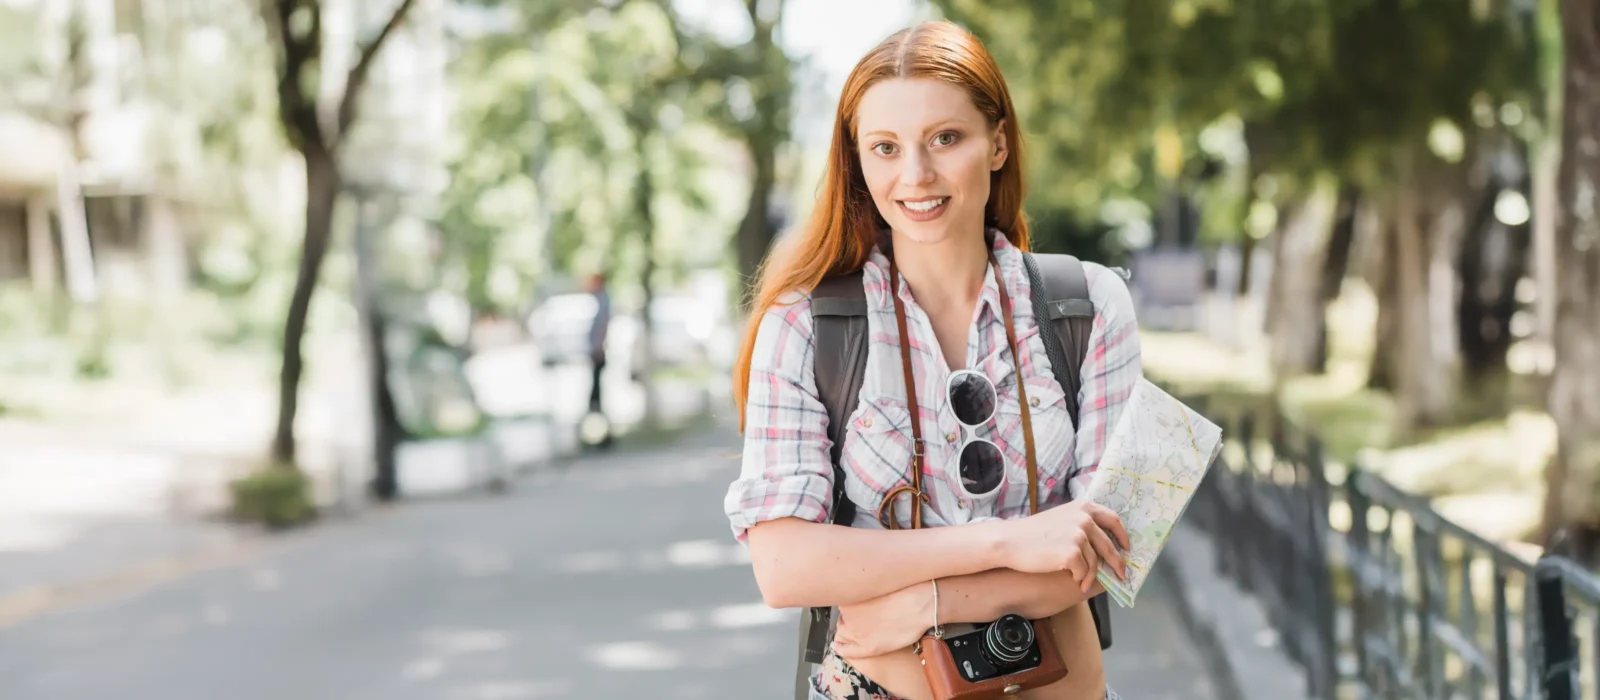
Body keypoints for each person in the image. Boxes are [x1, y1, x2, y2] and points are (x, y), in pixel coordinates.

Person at [723, 21, 1142, 700]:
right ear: (857, 162)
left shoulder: (1088, 306)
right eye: (885, 148)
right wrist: (1008, 546)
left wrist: (924, 603)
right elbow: (785, 565)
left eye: (945, 138)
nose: (915, 176)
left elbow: (1116, 550)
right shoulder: (805, 326)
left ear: (998, 142)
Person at [585, 272, 610, 413]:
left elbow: (602, 325)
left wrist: (599, 347)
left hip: (598, 348)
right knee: (595, 378)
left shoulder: (602, 300)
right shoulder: (598, 300)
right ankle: (594, 406)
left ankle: (595, 407)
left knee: (597, 379)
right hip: (596, 347)